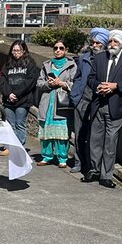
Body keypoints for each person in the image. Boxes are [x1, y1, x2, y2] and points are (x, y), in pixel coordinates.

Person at [84, 30, 122, 188]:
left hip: (116, 105)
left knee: (110, 142)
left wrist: (116, 86)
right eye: (110, 41)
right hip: (99, 103)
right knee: (95, 140)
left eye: (115, 42)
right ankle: (94, 170)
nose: (112, 44)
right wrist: (99, 86)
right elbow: (90, 78)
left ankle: (106, 175)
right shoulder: (99, 58)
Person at [68, 28, 109, 175]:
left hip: (98, 101)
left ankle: (92, 166)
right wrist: (75, 94)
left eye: (98, 43)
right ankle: (79, 162)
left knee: (95, 136)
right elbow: (77, 77)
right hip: (82, 99)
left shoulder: (107, 59)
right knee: (80, 134)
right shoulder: (84, 58)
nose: (95, 45)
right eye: (93, 42)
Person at [35, 39, 78, 167]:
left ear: (66, 50)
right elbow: (39, 83)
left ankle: (62, 158)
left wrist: (62, 84)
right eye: (55, 48)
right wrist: (48, 84)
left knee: (62, 132)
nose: (58, 50)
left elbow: (75, 84)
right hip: (48, 102)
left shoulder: (72, 66)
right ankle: (46, 156)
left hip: (62, 102)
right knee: (46, 130)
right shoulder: (46, 65)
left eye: (61, 48)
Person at [0, 40, 40, 151]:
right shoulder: (7, 64)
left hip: (23, 100)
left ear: (24, 51)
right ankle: (9, 146)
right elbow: (3, 80)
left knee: (20, 123)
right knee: (9, 124)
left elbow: (30, 82)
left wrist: (16, 93)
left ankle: (20, 146)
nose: (16, 52)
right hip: (8, 100)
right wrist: (8, 94)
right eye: (14, 50)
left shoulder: (30, 64)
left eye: (18, 50)